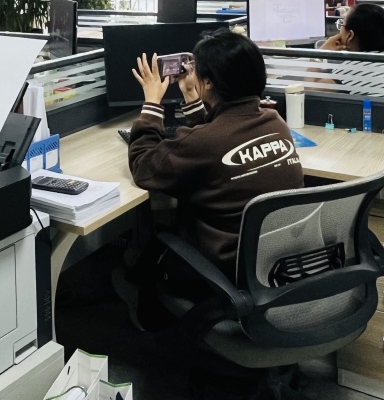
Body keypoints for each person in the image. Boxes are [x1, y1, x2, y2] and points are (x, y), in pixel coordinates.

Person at [116, 30, 303, 329]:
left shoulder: (205, 143)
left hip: (222, 275)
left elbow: (144, 168)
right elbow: (218, 135)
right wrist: (193, 96)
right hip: (274, 266)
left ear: (209, 82)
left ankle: (146, 320)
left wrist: (151, 104)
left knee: (144, 253)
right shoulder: (275, 122)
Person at [318, 3, 384, 99]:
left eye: (341, 24)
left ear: (350, 35)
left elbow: (311, 90)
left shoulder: (350, 70)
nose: (339, 30)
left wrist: (319, 53)